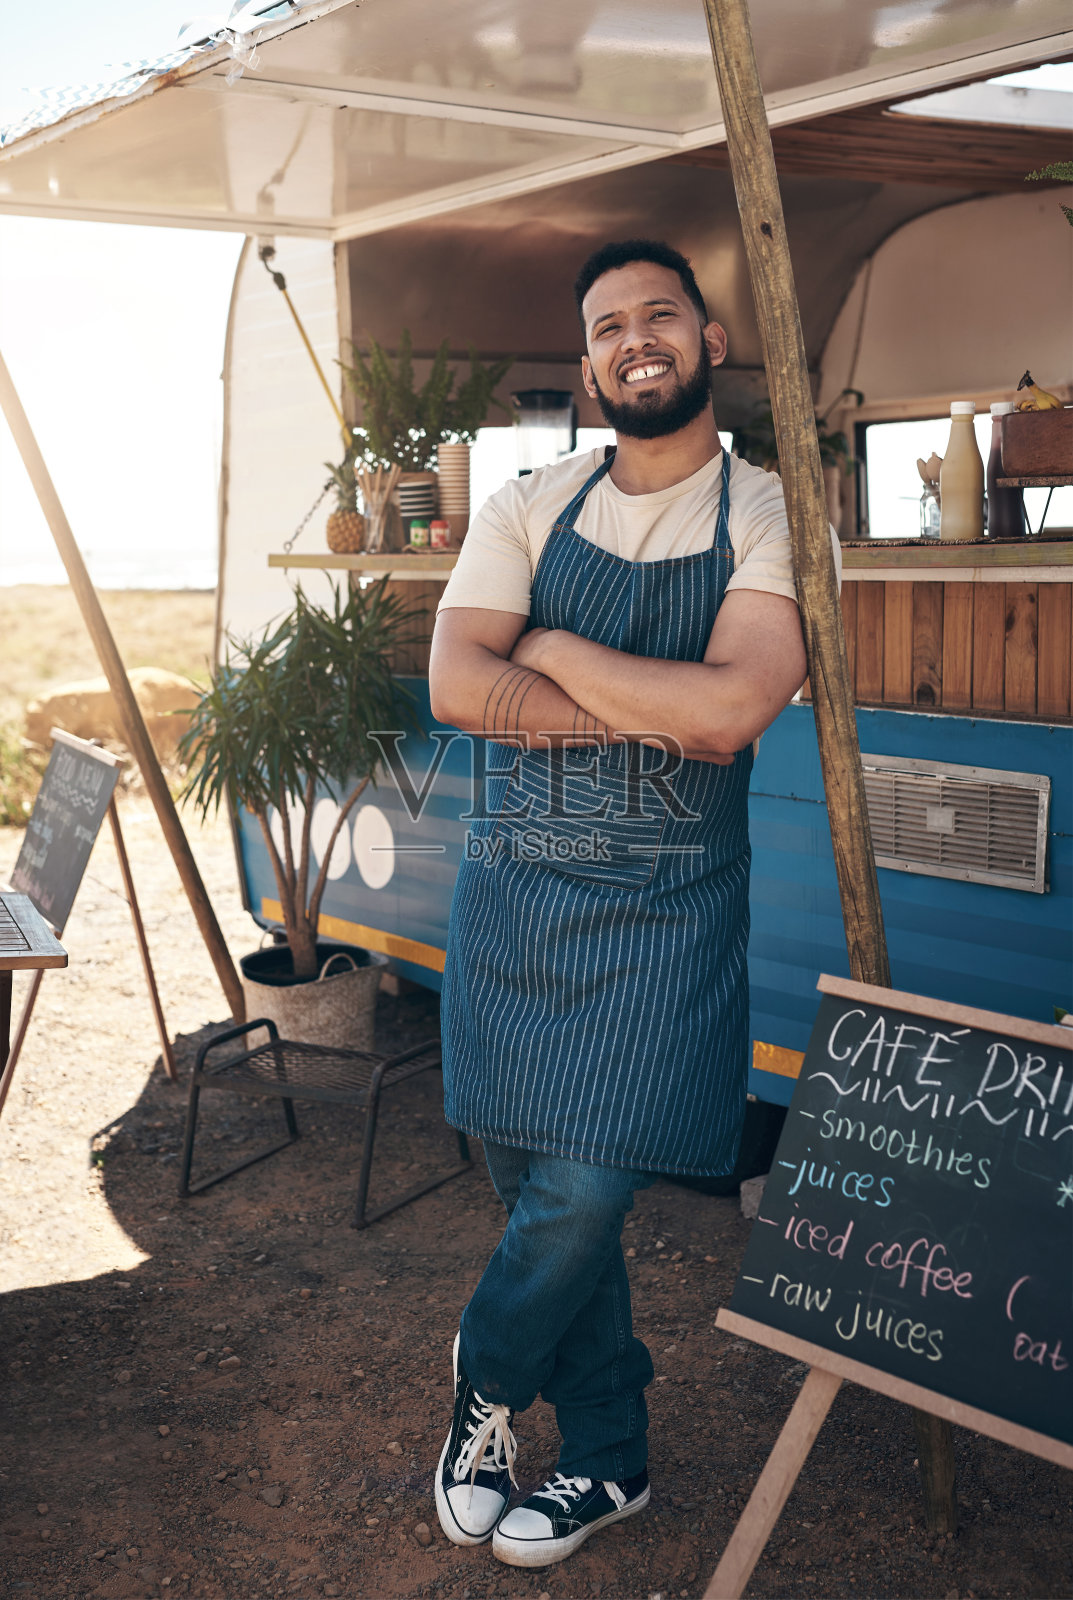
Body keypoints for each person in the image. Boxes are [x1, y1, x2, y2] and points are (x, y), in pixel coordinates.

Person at [426, 238, 839, 1571]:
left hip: (669, 920)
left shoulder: (769, 512)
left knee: (583, 1188)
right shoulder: (527, 503)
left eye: (660, 314)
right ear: (589, 362)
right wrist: (649, 706)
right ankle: (608, 1457)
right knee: (555, 1204)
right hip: (515, 908)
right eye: (608, 325)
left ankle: (486, 1375)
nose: (634, 338)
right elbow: (453, 683)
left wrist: (546, 647)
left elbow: (731, 712)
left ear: (709, 342)